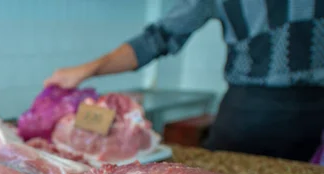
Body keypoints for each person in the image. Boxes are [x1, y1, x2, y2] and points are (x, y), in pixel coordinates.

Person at [44, 0, 324, 162]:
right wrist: (86, 70)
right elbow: (157, 38)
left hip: (292, 112)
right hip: (250, 110)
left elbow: (156, 39)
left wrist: (87, 70)